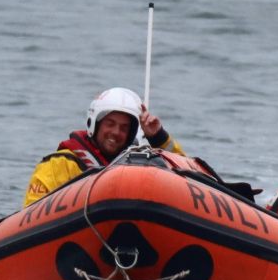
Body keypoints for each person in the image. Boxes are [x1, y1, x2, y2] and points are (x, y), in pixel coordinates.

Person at [23, 86, 183, 207]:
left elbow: (186, 177)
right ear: (95, 124)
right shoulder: (61, 164)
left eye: (124, 128)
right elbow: (30, 215)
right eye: (110, 124)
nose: (115, 132)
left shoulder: (140, 166)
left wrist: (158, 137)